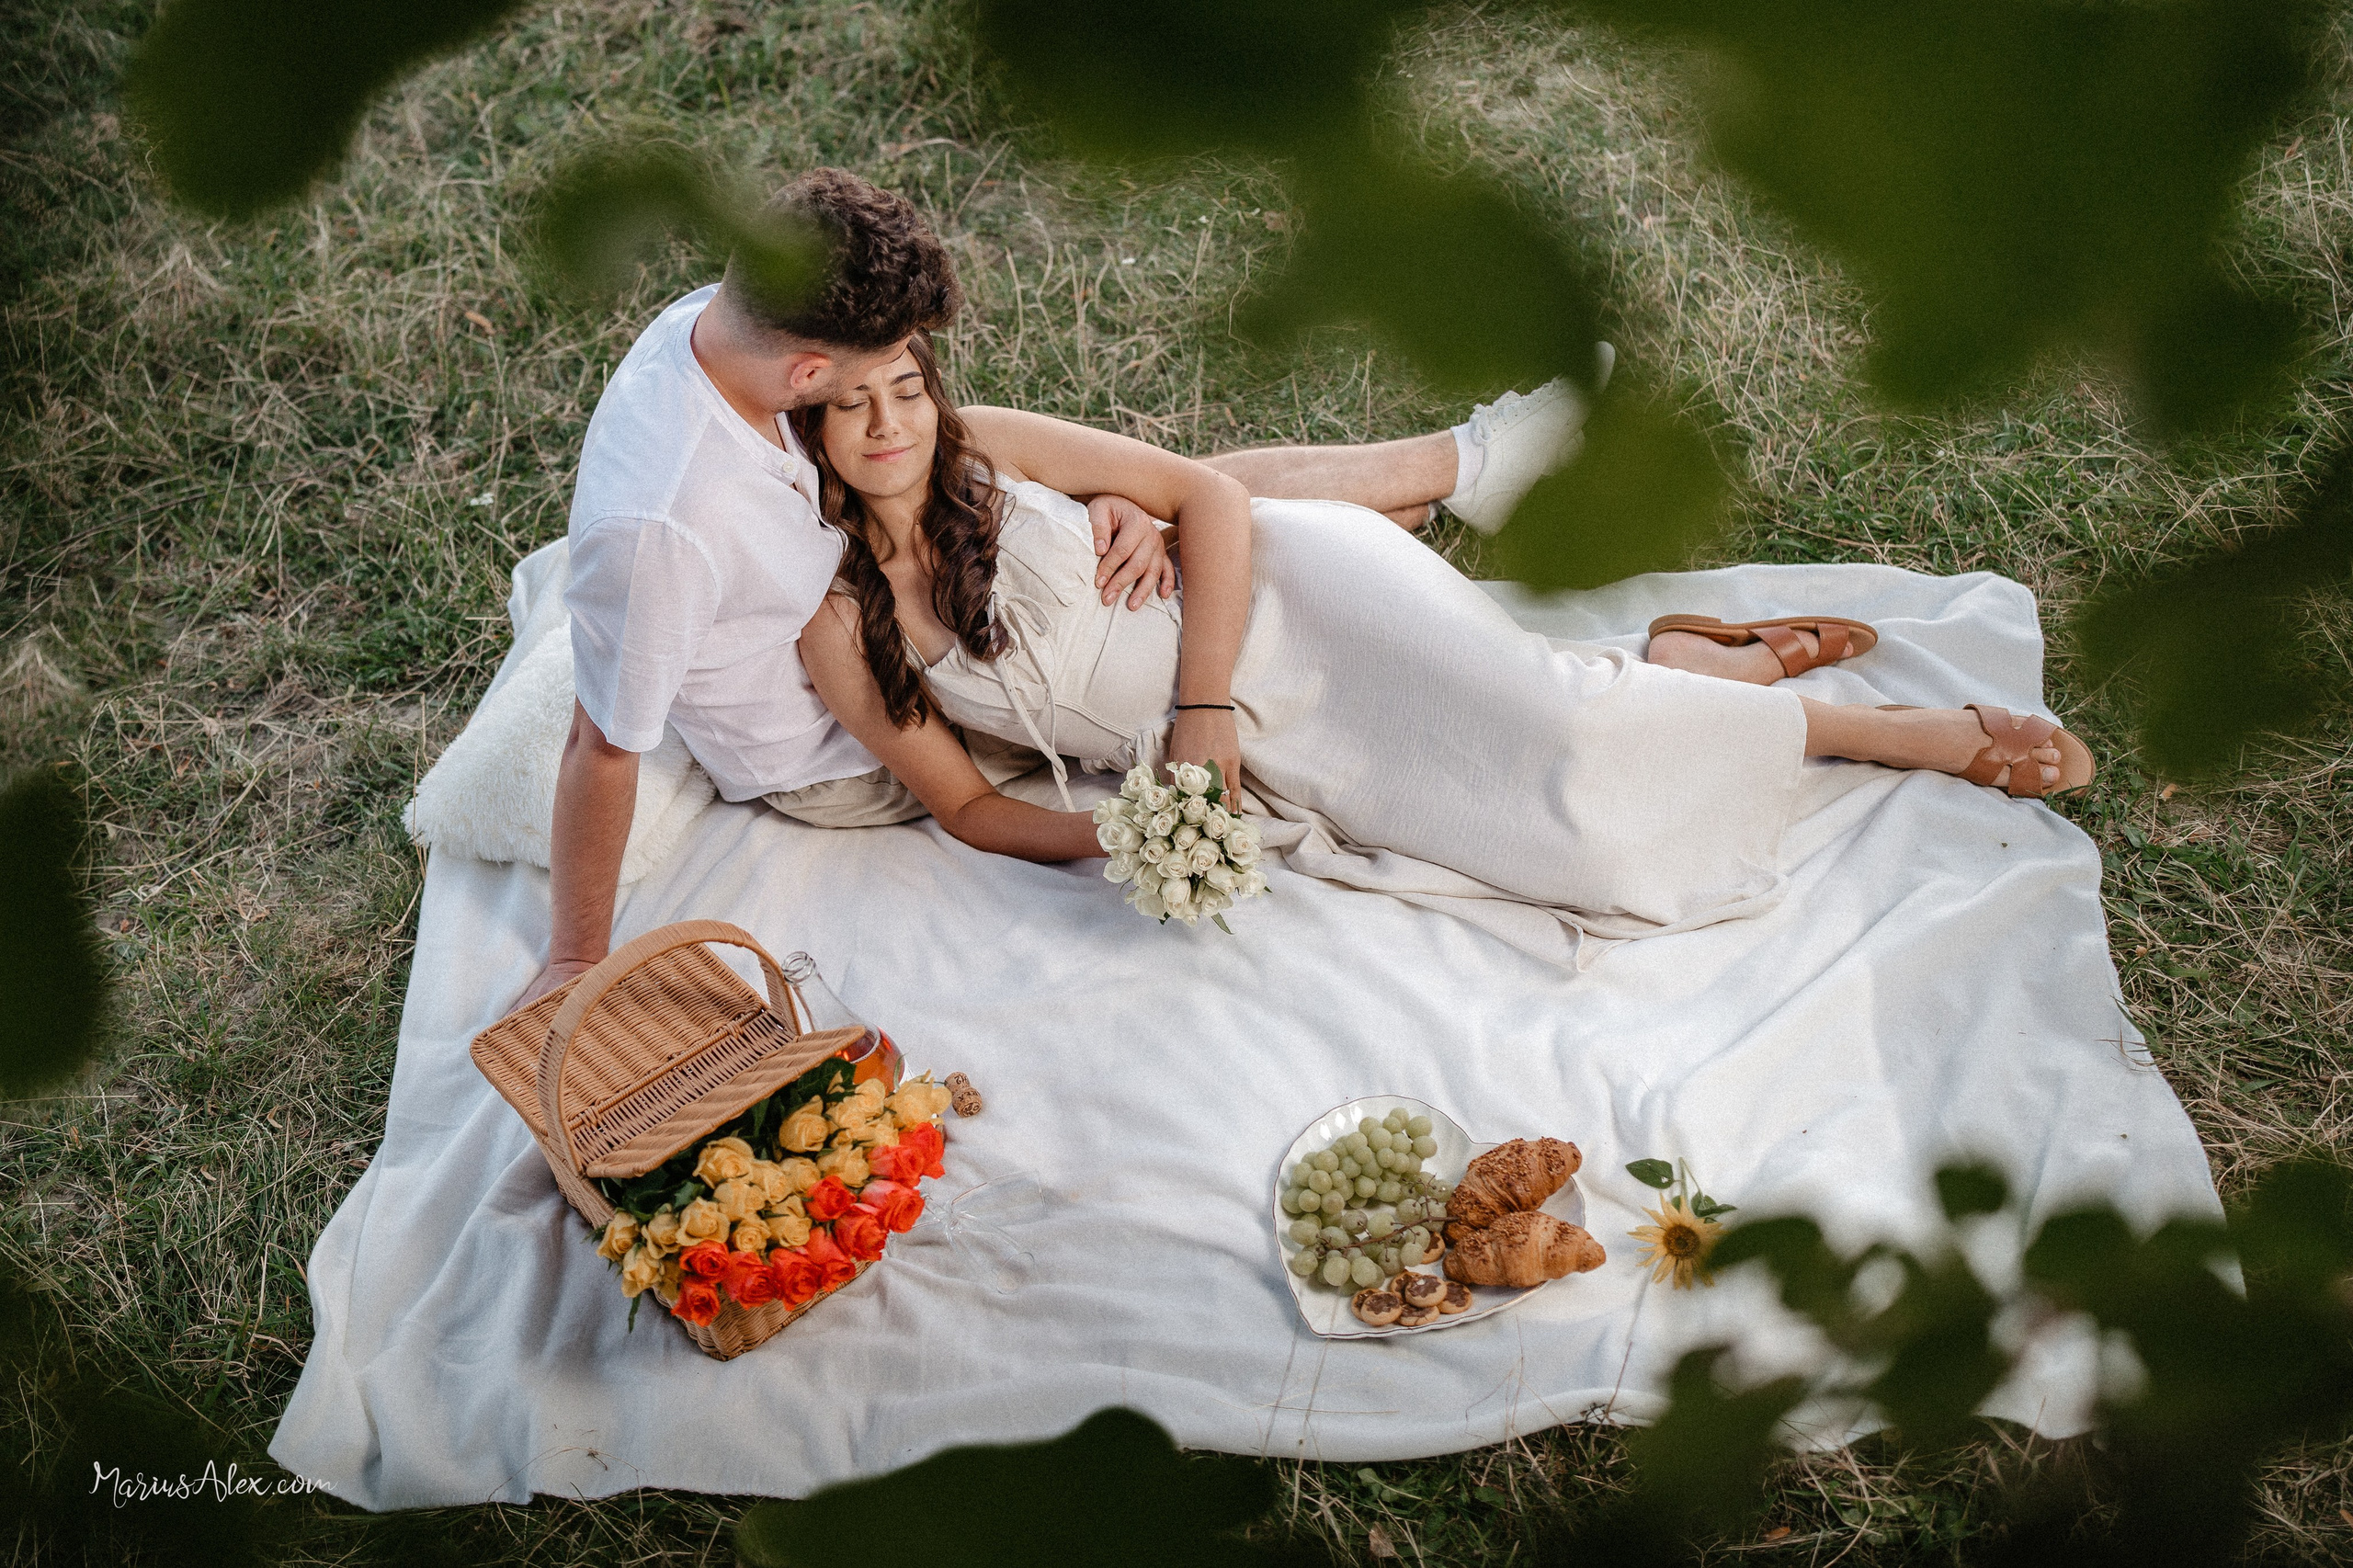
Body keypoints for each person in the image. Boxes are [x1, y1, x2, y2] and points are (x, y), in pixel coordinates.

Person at [789, 335, 2096, 946]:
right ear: (810, 438)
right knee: (1560, 854)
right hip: (1246, 759)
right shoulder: (840, 628)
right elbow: (965, 806)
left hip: (1292, 610)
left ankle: (1873, 729)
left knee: (1565, 734)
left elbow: (1216, 496)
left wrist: (1202, 713)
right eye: (854, 407)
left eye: (907, 386)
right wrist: (1137, 831)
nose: (892, 422)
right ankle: (1689, 666)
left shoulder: (989, 448)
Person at [519, 170, 1177, 1007]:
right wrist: (576, 957)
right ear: (807, 376)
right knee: (1131, 649)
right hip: (856, 740)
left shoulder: (725, 323)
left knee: (1131, 512)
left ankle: (1364, 482)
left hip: (878, 567)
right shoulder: (665, 531)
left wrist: (1095, 497)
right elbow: (601, 745)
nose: (891, 387)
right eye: (862, 377)